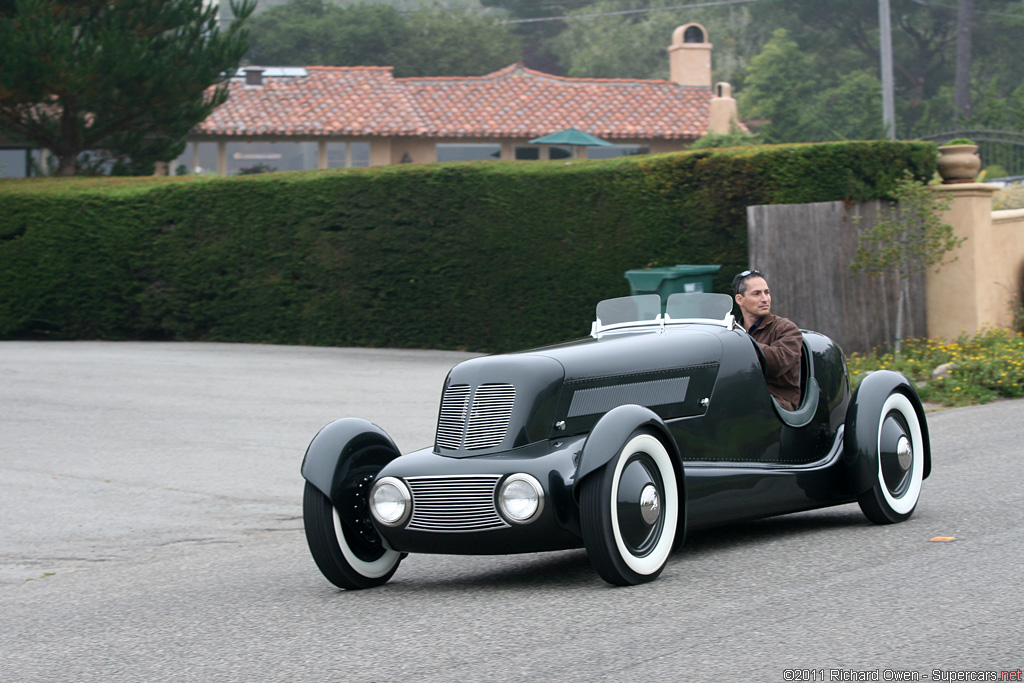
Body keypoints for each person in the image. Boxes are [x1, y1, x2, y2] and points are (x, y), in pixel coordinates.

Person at [733, 269, 803, 411]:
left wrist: (743, 345)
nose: (765, 299)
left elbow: (778, 363)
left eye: (767, 292)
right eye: (757, 294)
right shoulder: (732, 333)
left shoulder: (787, 329)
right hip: (742, 399)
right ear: (740, 299)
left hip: (779, 404)